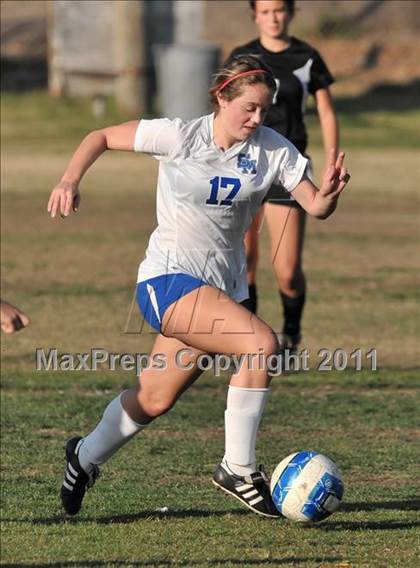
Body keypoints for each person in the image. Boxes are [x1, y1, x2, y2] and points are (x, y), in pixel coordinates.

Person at [47, 55, 349, 518]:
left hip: (221, 292)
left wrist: (326, 196)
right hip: (167, 280)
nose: (257, 118)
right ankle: (238, 467)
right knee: (261, 345)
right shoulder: (180, 135)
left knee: (154, 397)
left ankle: (82, 457)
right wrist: (70, 179)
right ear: (221, 97)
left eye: (264, 109)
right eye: (248, 107)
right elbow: (101, 136)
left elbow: (314, 205)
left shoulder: (274, 149)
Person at [229, 0, 339, 353]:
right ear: (254, 16)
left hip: (287, 169)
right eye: (265, 11)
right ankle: (249, 344)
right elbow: (226, 107)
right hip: (244, 165)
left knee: (287, 272)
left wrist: (331, 160)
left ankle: (291, 334)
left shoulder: (307, 57)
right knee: (243, 265)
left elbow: (325, 110)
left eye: (279, 10)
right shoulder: (242, 57)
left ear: (290, 13)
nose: (273, 17)